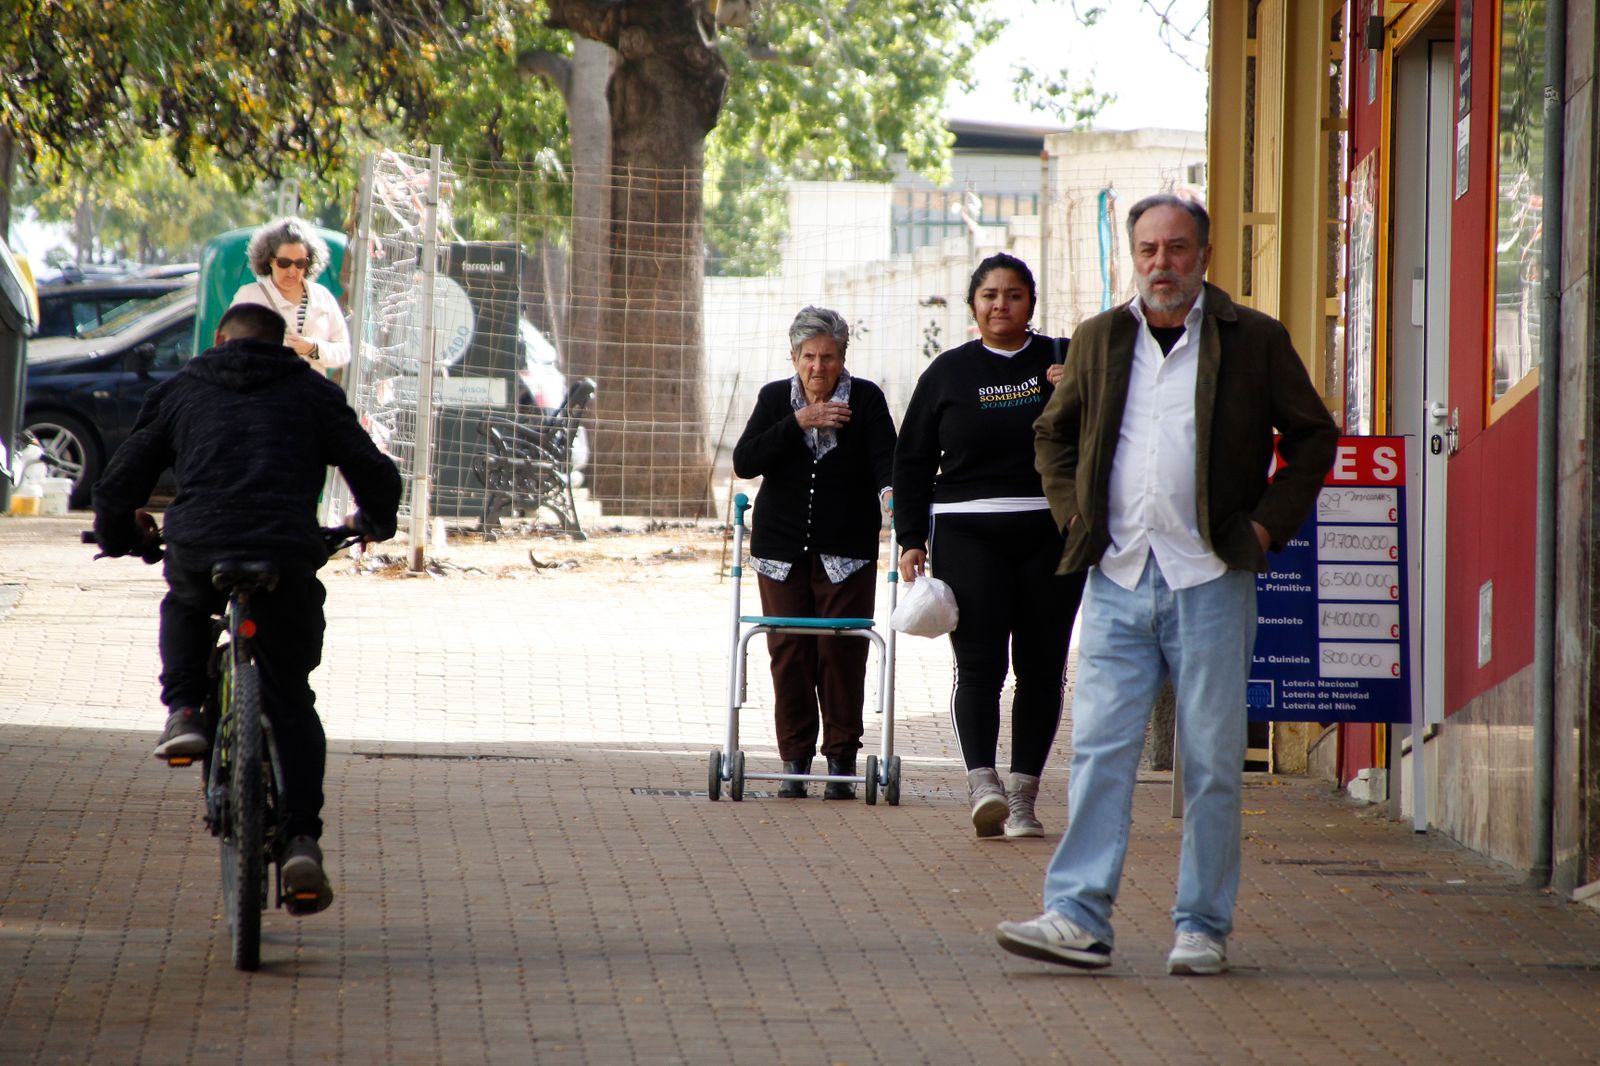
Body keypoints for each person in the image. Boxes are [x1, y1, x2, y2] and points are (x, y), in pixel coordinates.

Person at [997, 194, 1338, 975]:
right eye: (1148, 249)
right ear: (1134, 256)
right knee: (1099, 753)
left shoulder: (1253, 339)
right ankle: (1078, 917)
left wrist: (1264, 527)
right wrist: (1076, 518)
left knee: (1212, 763)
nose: (1162, 263)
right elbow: (1053, 432)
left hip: (1210, 578)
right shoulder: (1099, 337)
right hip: (1117, 576)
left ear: (1204, 256)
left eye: (1177, 248)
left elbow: (1314, 436)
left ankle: (1202, 927)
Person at [92, 303, 401, 914]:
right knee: (290, 697)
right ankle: (301, 841)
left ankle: (185, 711)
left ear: (218, 339)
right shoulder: (312, 393)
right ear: (281, 343)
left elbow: (120, 481)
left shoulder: (180, 391)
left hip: (201, 542)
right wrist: (375, 520)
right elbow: (372, 468)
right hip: (285, 551)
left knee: (186, 602)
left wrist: (119, 535)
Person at [892, 253, 1085, 838]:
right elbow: (912, 460)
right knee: (979, 666)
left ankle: (1024, 799)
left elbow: (1113, 430)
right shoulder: (947, 372)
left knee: (1043, 669)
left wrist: (1079, 392)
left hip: (1051, 533)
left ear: (1031, 303)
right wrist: (909, 538)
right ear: (973, 305)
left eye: (1014, 295)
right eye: (990, 295)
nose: (1001, 305)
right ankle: (984, 787)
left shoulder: (1066, 358)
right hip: (967, 532)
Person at [732, 306, 897, 799]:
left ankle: (842, 761)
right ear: (794, 357)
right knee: (789, 652)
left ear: (842, 357)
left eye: (828, 357)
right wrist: (799, 421)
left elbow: (885, 459)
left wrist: (891, 493)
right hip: (779, 551)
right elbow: (745, 460)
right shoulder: (774, 399)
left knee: (841, 651)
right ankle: (795, 761)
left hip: (847, 552)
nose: (818, 366)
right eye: (808, 357)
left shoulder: (865, 399)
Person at [229, 217, 351, 372]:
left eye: (300, 263)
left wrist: (313, 348)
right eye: (284, 263)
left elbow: (344, 351)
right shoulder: (249, 296)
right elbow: (228, 348)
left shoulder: (322, 297)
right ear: (269, 260)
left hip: (311, 386)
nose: (292, 271)